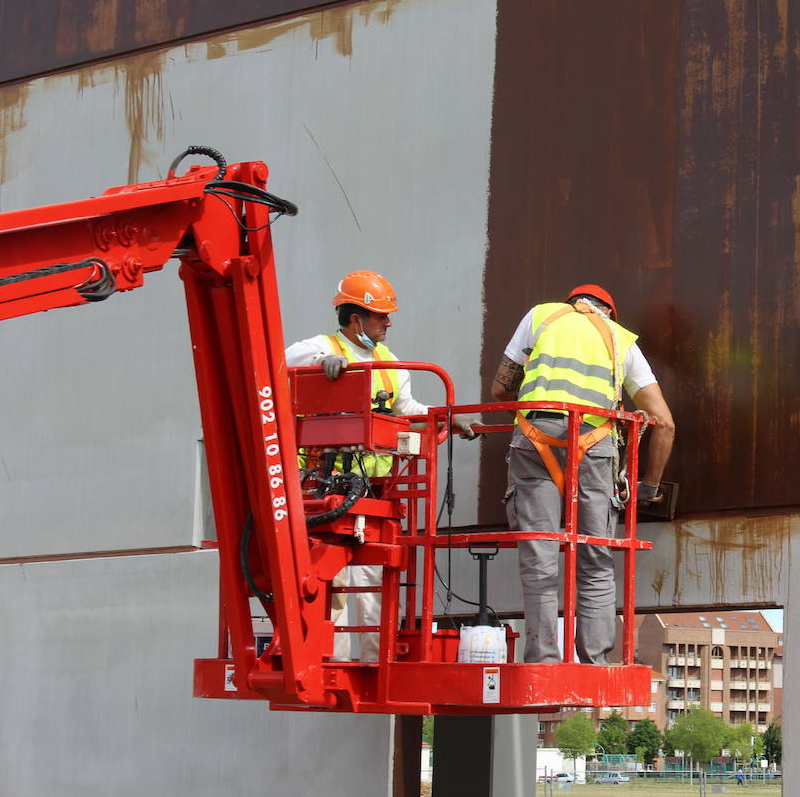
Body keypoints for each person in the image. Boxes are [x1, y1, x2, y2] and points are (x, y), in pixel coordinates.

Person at [285, 270, 479, 660]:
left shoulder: (388, 361)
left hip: (375, 490)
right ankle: (331, 661)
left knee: (373, 580)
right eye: (381, 316)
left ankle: (377, 660)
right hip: (325, 488)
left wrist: (446, 416)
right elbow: (284, 360)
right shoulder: (319, 346)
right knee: (331, 581)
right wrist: (325, 360)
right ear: (356, 319)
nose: (389, 322)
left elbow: (406, 410)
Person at [491, 283, 675, 663]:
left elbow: (499, 388)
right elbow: (665, 423)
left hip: (535, 438)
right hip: (594, 445)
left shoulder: (541, 316)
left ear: (572, 302)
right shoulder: (620, 339)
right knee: (596, 557)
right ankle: (595, 660)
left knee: (539, 550)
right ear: (609, 311)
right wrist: (650, 486)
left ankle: (542, 657)